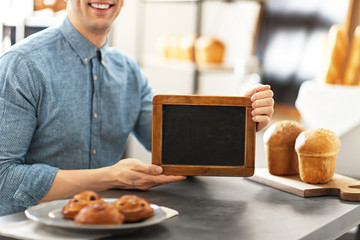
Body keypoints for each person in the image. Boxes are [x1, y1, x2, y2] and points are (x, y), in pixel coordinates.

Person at [0, 0, 274, 216]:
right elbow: (3, 181)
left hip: (109, 224)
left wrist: (242, 123)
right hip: (28, 230)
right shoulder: (21, 65)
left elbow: (178, 150)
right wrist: (107, 177)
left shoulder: (129, 71)